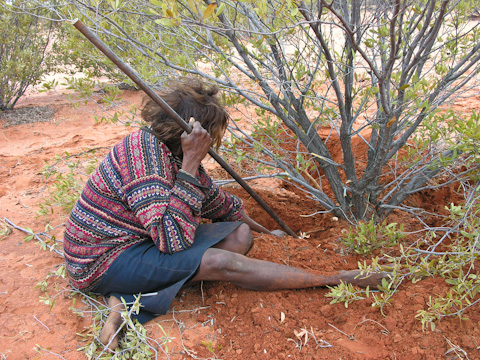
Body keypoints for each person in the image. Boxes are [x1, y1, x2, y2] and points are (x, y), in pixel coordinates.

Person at [63, 79, 386, 351]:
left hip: (142, 243)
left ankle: (126, 298)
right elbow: (171, 240)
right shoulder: (144, 157)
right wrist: (191, 161)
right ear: (191, 133)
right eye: (212, 133)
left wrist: (268, 232)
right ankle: (335, 280)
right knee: (222, 263)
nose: (213, 140)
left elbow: (218, 202)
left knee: (239, 234)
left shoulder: (169, 150)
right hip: (103, 258)